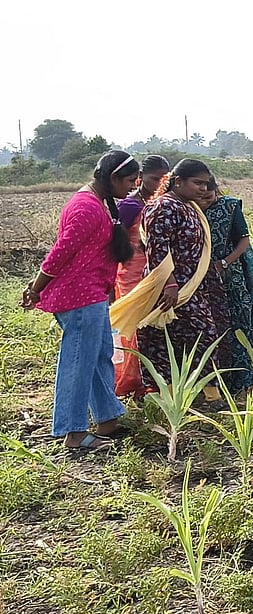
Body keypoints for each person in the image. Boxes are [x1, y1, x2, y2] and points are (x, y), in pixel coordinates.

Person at [20, 151, 140, 450]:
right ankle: (73, 432)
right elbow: (62, 252)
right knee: (78, 362)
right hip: (79, 296)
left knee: (99, 356)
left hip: (91, 293)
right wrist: (36, 287)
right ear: (112, 178)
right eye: (128, 181)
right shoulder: (86, 207)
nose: (132, 188)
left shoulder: (97, 202)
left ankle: (108, 418)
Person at [112, 159, 230, 403]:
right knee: (170, 340)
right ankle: (170, 397)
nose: (203, 189)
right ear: (178, 181)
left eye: (206, 184)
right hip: (170, 287)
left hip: (192, 285)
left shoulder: (188, 206)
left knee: (197, 337)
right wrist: (170, 284)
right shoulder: (164, 207)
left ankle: (204, 394)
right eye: (197, 183)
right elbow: (158, 250)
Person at [200, 176, 253, 394]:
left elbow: (243, 240)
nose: (204, 201)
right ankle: (215, 382)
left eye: (208, 196)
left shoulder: (229, 206)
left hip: (231, 275)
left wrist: (224, 263)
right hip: (199, 277)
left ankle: (244, 381)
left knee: (238, 324)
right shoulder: (189, 209)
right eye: (200, 197)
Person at [113, 154, 171, 397]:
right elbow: (114, 242)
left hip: (156, 273)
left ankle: (153, 380)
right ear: (140, 179)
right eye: (154, 178)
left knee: (154, 328)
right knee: (134, 329)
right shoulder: (129, 207)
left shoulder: (163, 204)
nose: (159, 183)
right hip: (132, 274)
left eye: (164, 179)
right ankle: (132, 381)